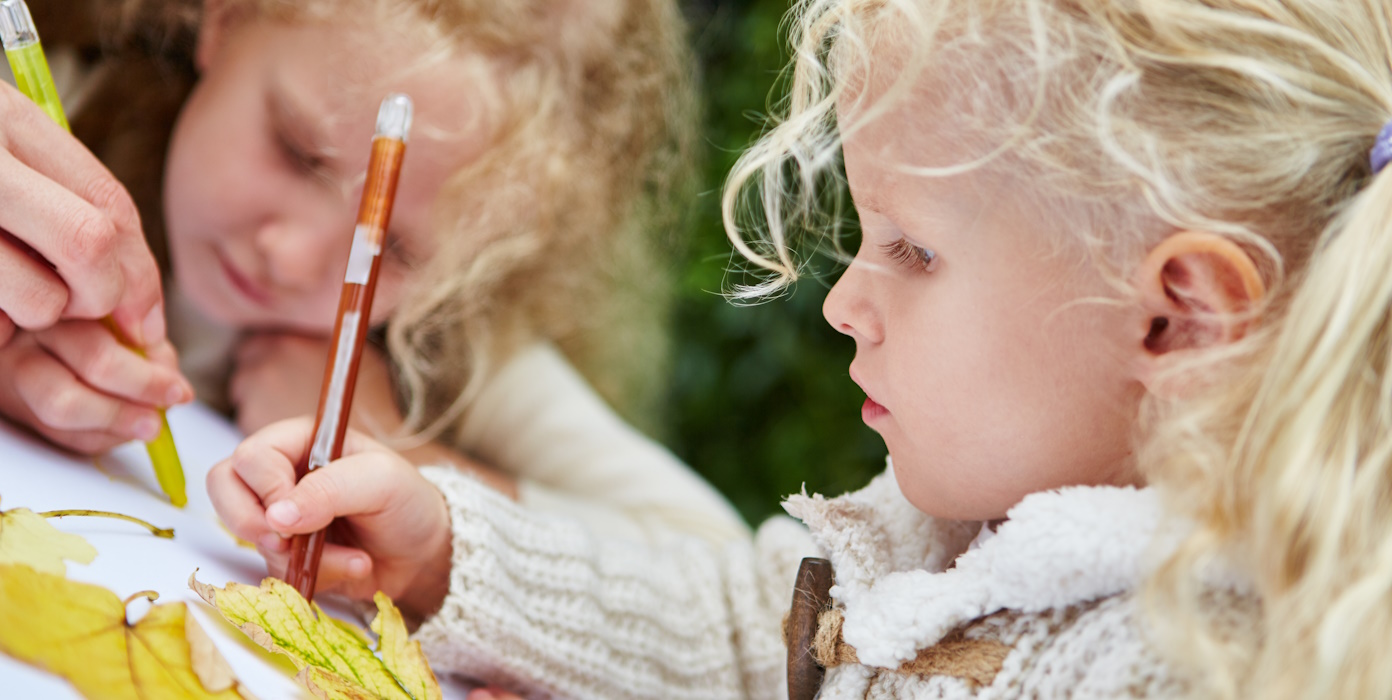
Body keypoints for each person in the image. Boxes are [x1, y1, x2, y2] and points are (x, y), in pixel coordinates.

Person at [212, 0, 1392, 698]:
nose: (844, 304)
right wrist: (446, 556)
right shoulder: (959, 524)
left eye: (912, 253)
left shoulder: (1185, 659)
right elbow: (746, 625)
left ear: (1174, 317)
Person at [0, 0, 748, 549]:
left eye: (400, 252)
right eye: (299, 151)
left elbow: (721, 568)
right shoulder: (56, 109)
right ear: (226, 21)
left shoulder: (452, 347)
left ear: (486, 264)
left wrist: (402, 452)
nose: (291, 256)